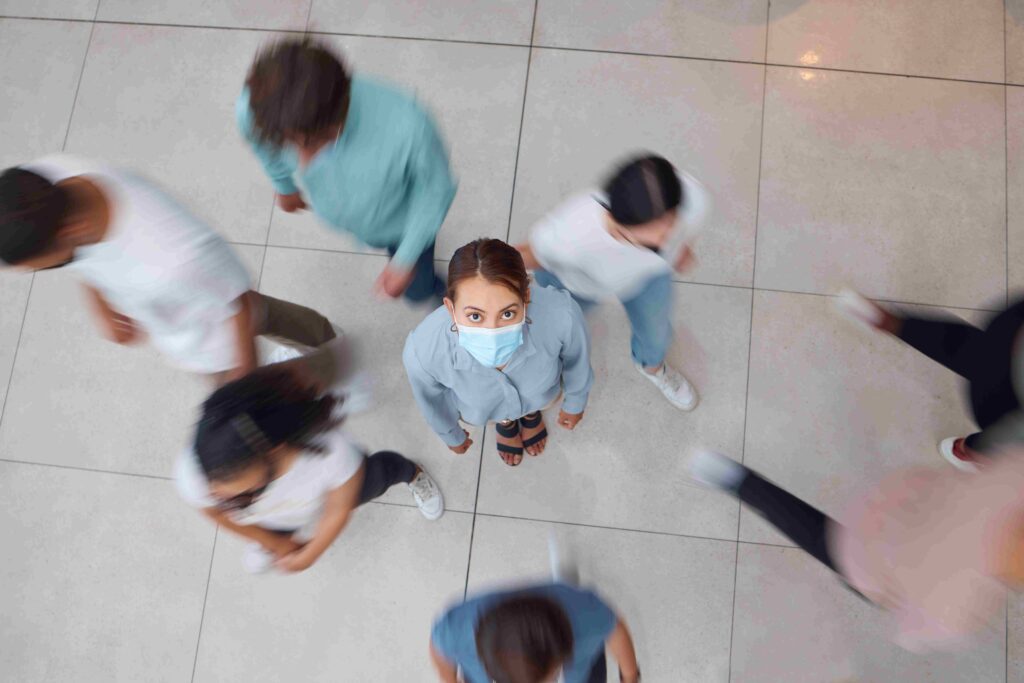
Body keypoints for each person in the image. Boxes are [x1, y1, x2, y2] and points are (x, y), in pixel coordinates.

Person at [0, 156, 336, 384]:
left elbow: (240, 303)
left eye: (34, 267)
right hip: (181, 326)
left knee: (280, 324)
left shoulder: (177, 256)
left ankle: (333, 356)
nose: (31, 271)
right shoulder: (44, 181)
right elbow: (75, 258)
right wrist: (100, 300)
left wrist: (243, 376)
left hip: (215, 340)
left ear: (68, 231)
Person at [689, 448, 1024, 652]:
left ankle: (735, 478)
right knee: (812, 532)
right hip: (866, 561)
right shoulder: (959, 607)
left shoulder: (1013, 479)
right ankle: (737, 481)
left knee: (809, 524)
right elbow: (911, 626)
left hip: (886, 507)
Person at [175, 338, 444, 574]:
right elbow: (214, 512)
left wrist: (311, 553)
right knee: (265, 545)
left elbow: (338, 509)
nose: (225, 501)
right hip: (281, 514)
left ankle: (411, 472)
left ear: (275, 452)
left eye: (242, 493)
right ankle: (276, 379)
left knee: (382, 474)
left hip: (329, 492)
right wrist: (274, 542)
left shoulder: (332, 453)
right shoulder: (201, 470)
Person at [237, 38, 456, 304]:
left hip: (399, 226)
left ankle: (443, 295)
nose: (304, 166)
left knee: (417, 290)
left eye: (310, 144)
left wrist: (406, 258)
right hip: (361, 222)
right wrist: (283, 184)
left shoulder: (410, 127)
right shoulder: (257, 108)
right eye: (288, 144)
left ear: (339, 115)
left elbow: (436, 190)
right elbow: (264, 147)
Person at [516, 153, 710, 411]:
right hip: (577, 283)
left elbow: (682, 234)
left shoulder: (693, 199)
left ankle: (652, 366)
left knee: (656, 332)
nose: (666, 243)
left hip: (647, 279)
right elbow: (525, 255)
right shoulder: (569, 234)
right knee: (553, 334)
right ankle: (551, 367)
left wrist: (679, 249)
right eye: (652, 241)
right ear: (617, 223)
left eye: (670, 229)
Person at [403, 238, 593, 467]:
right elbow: (431, 401)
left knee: (537, 401)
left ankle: (531, 414)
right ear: (451, 309)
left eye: (507, 314)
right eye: (475, 316)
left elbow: (577, 363)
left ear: (526, 298)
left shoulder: (563, 315)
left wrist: (575, 402)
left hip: (541, 395)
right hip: (484, 410)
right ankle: (504, 423)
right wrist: (450, 434)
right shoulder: (423, 352)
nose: (491, 332)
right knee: (497, 414)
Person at [837, 289, 1024, 471]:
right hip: (1003, 404)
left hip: (1013, 333)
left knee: (973, 350)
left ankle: (894, 323)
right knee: (1005, 443)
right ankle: (968, 450)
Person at [429, 583, 640, 683]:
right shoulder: (455, 630)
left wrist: (630, 676)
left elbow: (616, 630)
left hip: (579, 659)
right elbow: (438, 648)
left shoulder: (586, 614)